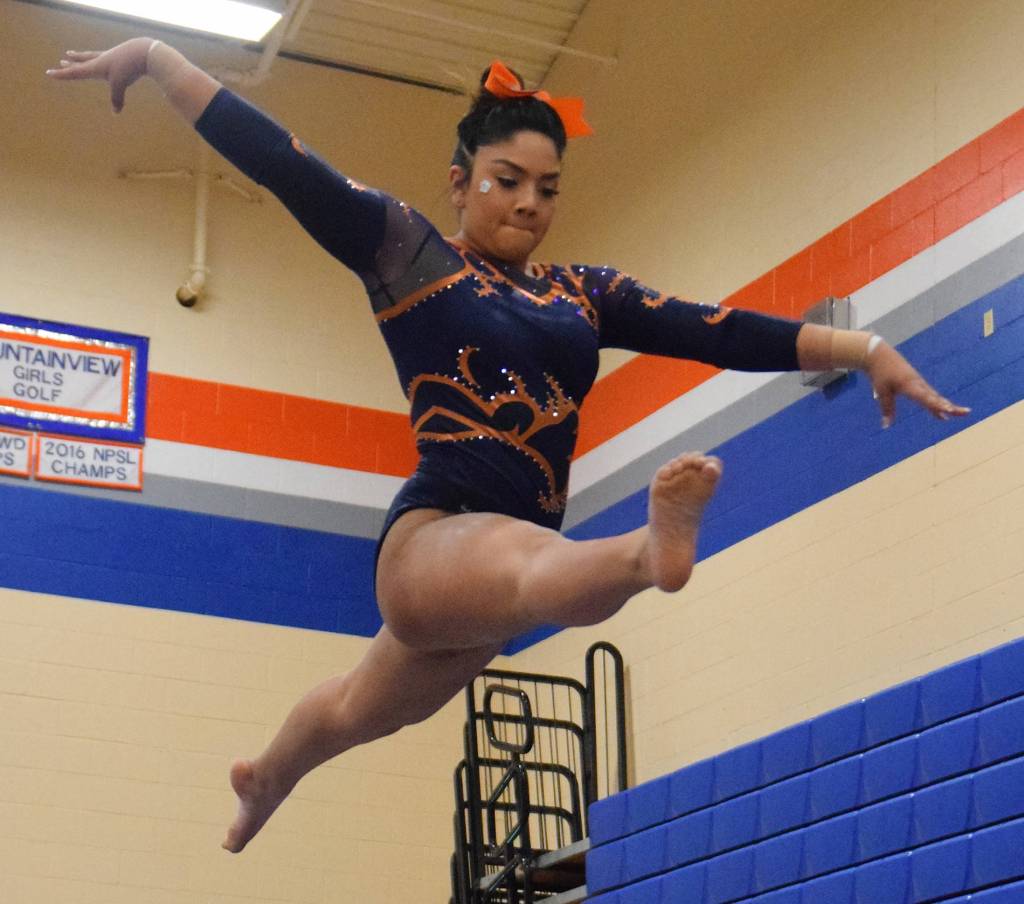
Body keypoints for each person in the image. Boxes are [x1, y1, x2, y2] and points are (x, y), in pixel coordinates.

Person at [47, 39, 969, 854]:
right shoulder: (409, 253)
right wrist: (161, 60)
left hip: (495, 586)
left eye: (547, 189)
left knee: (360, 710)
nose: (529, 204)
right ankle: (648, 552)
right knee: (532, 564)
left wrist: (863, 347)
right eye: (506, 181)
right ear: (459, 181)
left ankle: (264, 779)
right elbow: (289, 167)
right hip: (435, 541)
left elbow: (715, 329)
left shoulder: (583, 294)